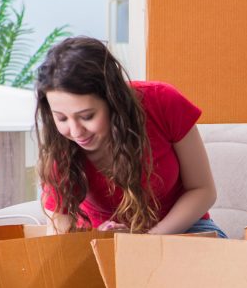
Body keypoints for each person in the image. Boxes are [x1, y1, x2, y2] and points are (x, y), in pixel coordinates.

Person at [35, 36, 224, 237]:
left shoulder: (162, 102)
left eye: (87, 116)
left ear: (114, 100)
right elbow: (59, 230)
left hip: (183, 231)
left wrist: (146, 241)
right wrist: (95, 240)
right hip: (102, 239)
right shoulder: (59, 148)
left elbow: (202, 190)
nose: (75, 132)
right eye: (61, 118)